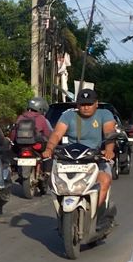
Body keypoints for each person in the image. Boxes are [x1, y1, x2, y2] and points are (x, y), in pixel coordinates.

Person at [42, 87, 118, 222]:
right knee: (53, 182)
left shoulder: (104, 114)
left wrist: (109, 150)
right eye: (82, 104)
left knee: (105, 180)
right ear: (77, 105)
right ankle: (63, 216)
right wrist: (49, 148)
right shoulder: (68, 115)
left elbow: (109, 133)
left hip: (95, 159)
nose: (86, 107)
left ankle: (94, 216)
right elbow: (57, 133)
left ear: (96, 103)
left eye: (89, 104)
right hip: (71, 159)